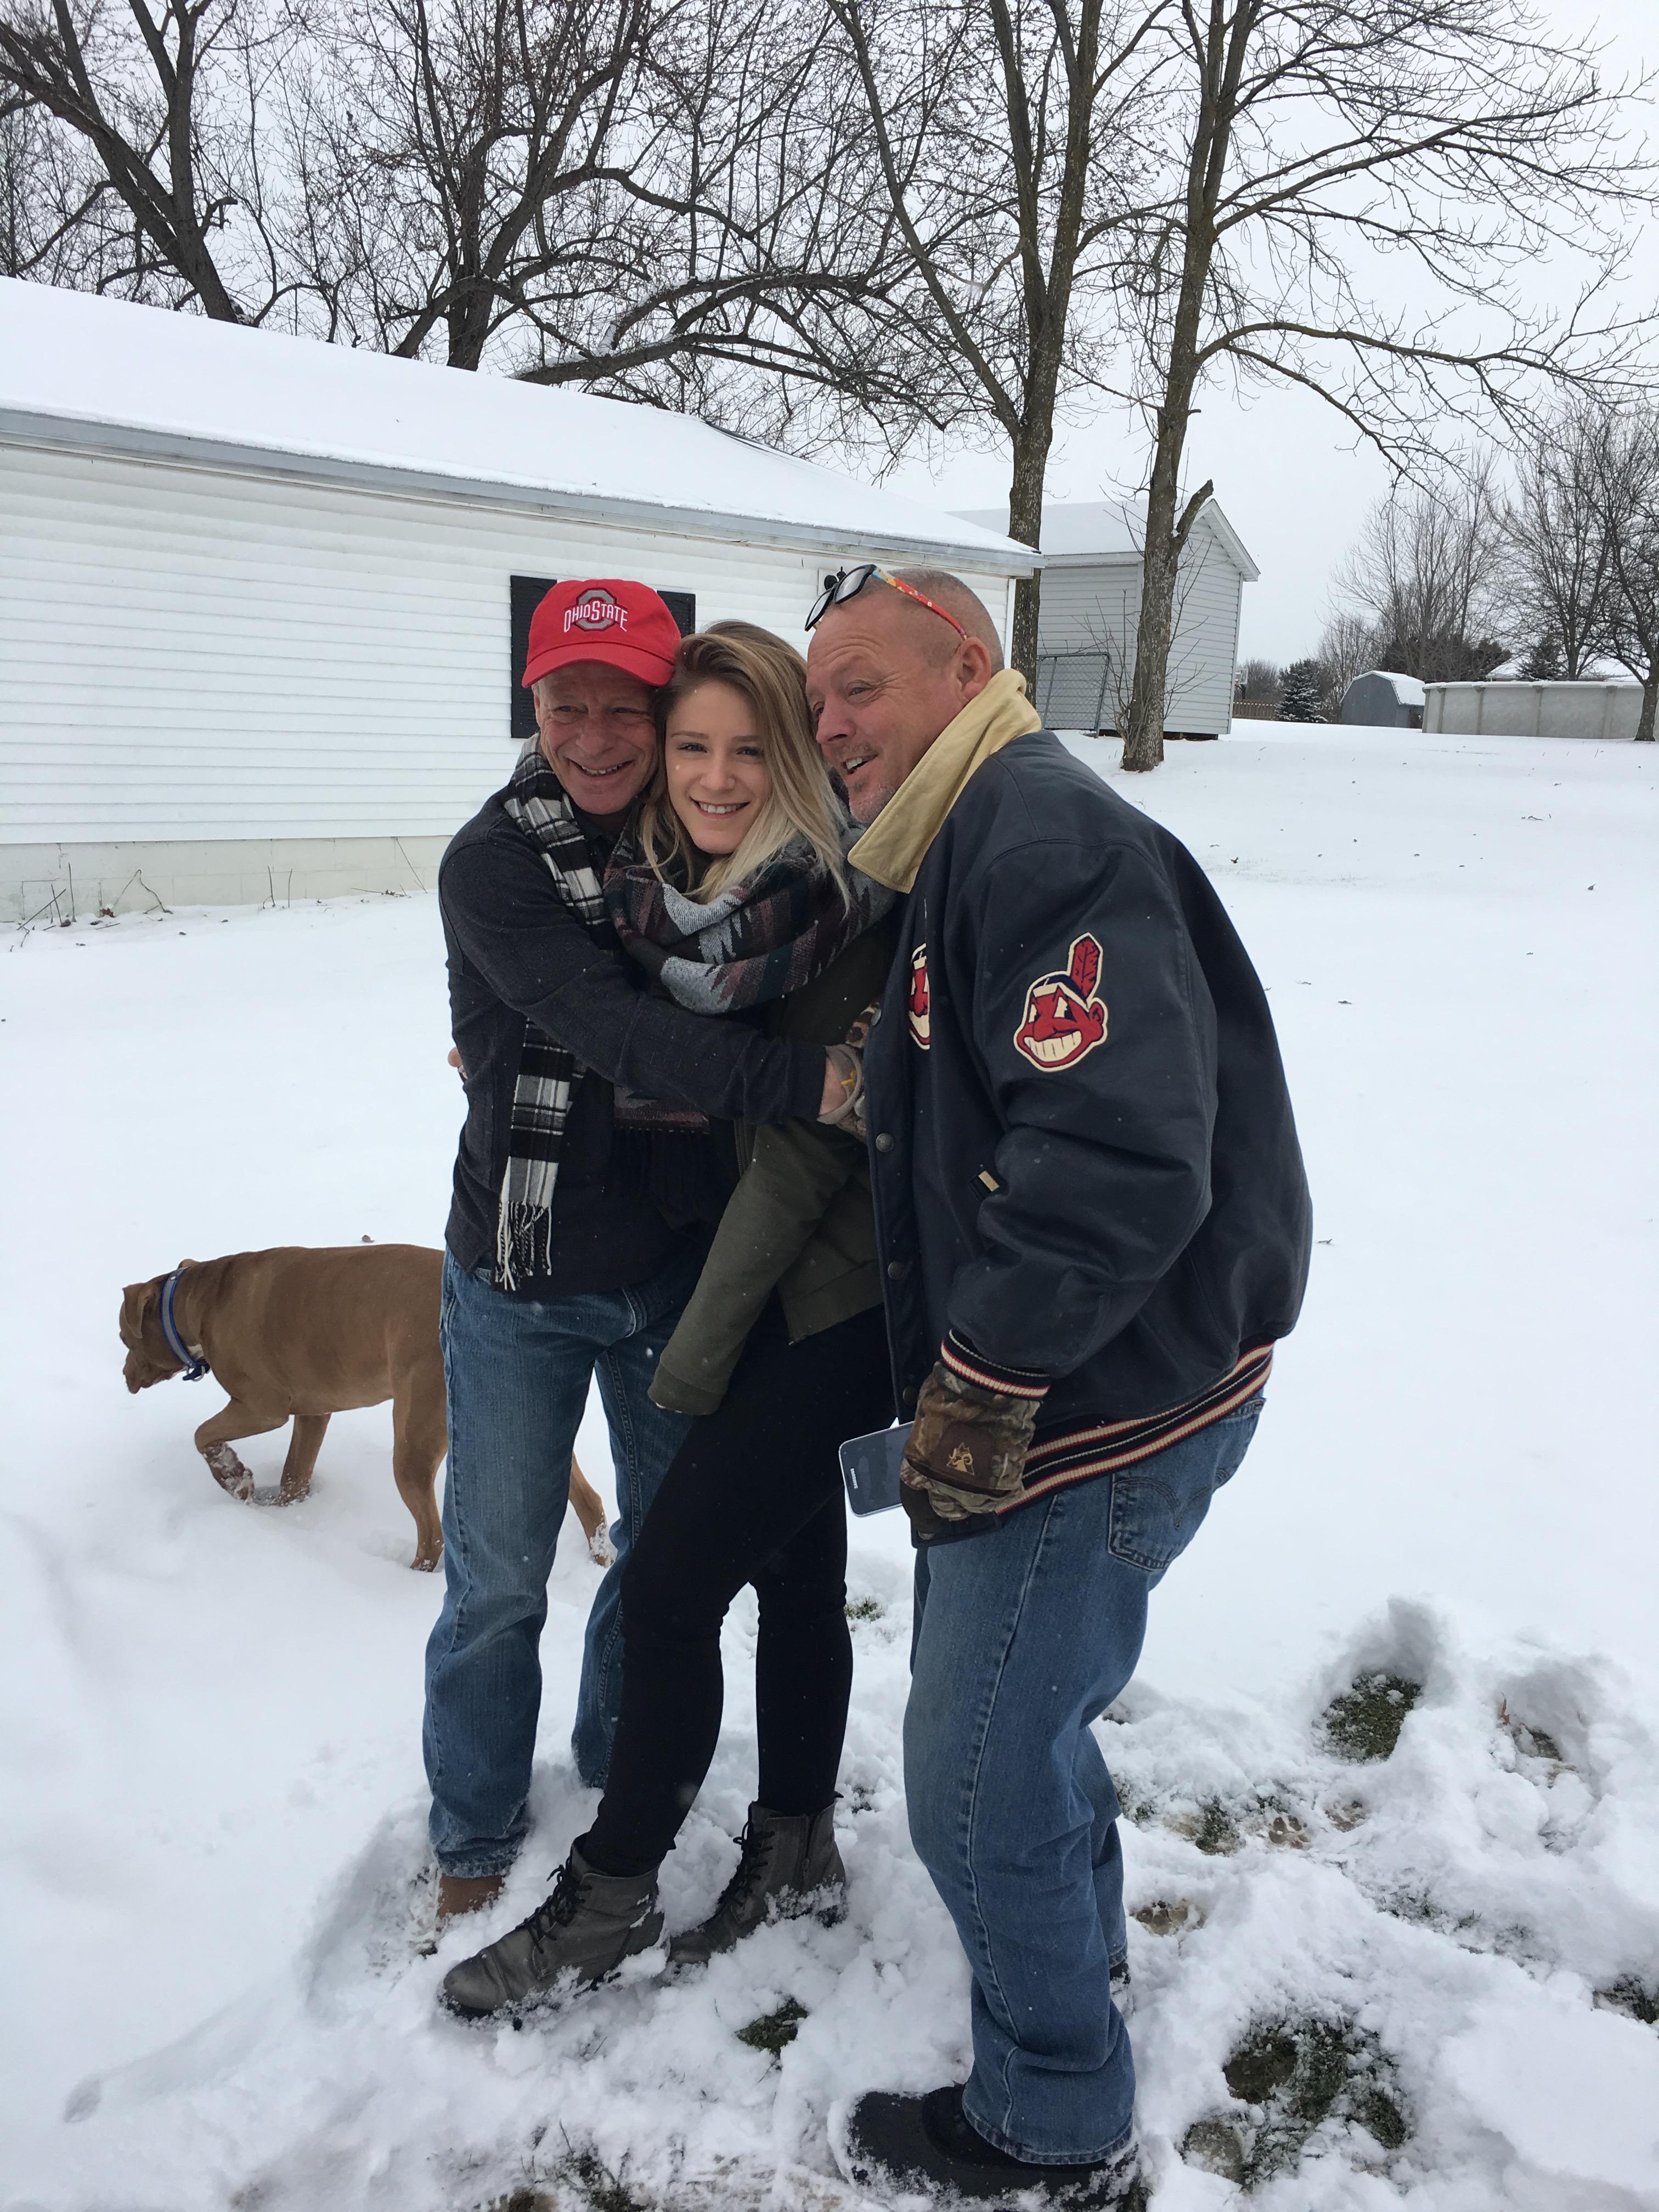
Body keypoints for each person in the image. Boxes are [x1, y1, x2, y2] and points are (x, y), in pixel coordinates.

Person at [805, 565, 1312, 2210]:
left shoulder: (1037, 836)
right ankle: (1073, 1971)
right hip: (1095, 1377)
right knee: (1024, 1737)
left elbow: (1113, 1157)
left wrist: (980, 1383)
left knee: (971, 1779)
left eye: (862, 690)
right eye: (819, 707)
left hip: (1092, 1404)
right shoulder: (970, 839)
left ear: (971, 668)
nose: (833, 731)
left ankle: (1054, 2122)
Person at [438, 619, 897, 2017]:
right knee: (502, 1575)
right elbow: (617, 1025)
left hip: (697, 1273)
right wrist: (815, 1085)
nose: (601, 738)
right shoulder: (518, 863)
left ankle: (615, 1791)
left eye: (627, 712)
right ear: (532, 704)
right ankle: (470, 1837)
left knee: (662, 1571)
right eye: (564, 706)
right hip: (521, 1265)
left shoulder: (776, 887)